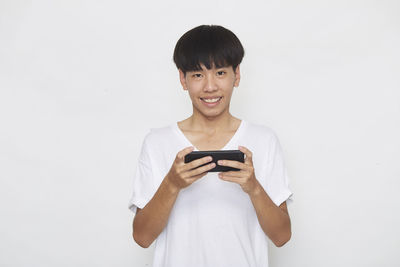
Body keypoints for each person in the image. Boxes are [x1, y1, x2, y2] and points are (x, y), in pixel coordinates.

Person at [128, 24, 293, 267]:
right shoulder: (157, 142)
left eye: (220, 73)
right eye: (197, 75)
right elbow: (142, 237)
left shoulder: (264, 140)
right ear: (183, 79)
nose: (209, 87)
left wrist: (254, 187)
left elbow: (282, 236)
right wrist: (172, 184)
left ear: (237, 75)